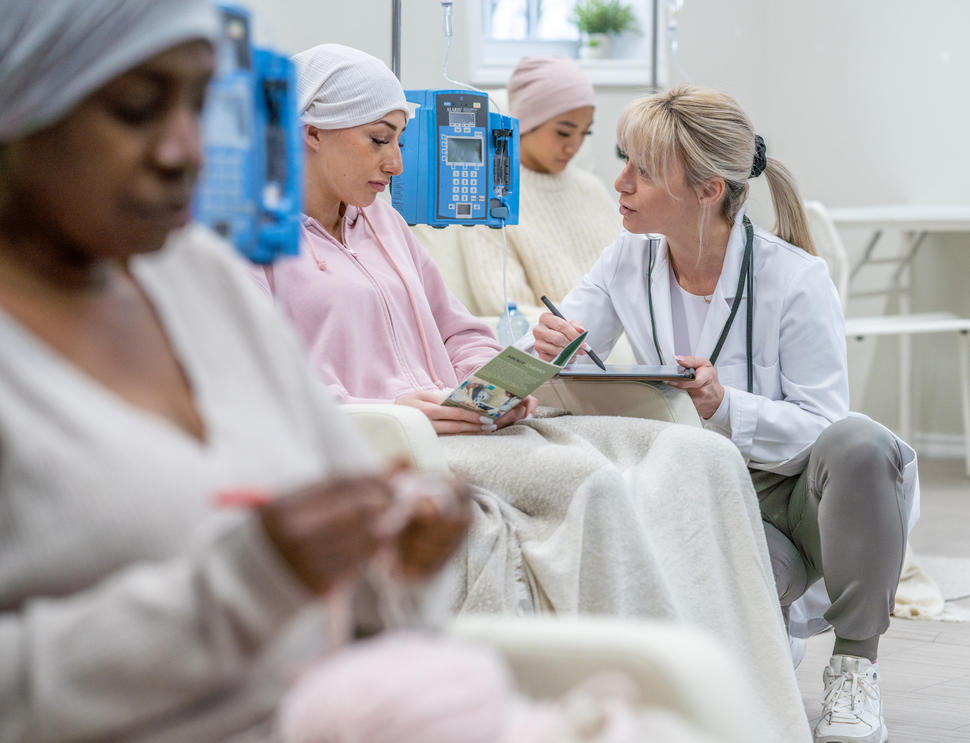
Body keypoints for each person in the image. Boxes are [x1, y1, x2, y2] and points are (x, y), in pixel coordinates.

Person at [255, 44, 814, 742]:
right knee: (586, 480)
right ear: (310, 131)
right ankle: (649, 714)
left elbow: (458, 326)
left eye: (399, 140)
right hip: (398, 434)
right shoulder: (256, 244)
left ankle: (761, 717)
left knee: (696, 455)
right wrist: (399, 410)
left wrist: (498, 376)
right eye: (379, 141)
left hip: (470, 416)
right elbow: (261, 382)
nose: (396, 163)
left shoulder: (383, 224)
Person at [0, 3, 469, 741]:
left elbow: (358, 563)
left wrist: (401, 559)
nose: (185, 150)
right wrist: (247, 585)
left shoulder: (198, 277)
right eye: (135, 109)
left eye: (201, 105)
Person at [533, 85, 919, 743]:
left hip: (795, 502)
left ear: (708, 190)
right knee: (719, 666)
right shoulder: (628, 258)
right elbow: (556, 339)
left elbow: (823, 427)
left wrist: (723, 405)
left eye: (642, 170)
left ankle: (855, 669)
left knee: (862, 442)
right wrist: (515, 373)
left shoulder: (794, 280)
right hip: (699, 493)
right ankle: (747, 644)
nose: (618, 182)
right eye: (623, 160)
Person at [453, 56, 622, 319]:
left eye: (585, 133)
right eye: (564, 133)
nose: (574, 145)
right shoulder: (491, 199)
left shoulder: (591, 188)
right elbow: (507, 310)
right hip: (566, 350)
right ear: (524, 124)